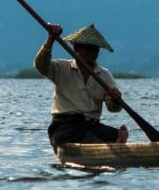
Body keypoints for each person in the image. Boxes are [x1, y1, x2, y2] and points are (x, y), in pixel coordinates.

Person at [36, 22, 129, 150]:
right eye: (87, 48)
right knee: (61, 137)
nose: (92, 52)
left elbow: (113, 109)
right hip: (66, 125)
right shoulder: (61, 68)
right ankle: (106, 145)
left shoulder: (104, 75)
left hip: (92, 125)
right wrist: (50, 39)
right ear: (76, 49)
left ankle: (107, 144)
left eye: (95, 49)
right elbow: (41, 66)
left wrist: (115, 98)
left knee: (111, 133)